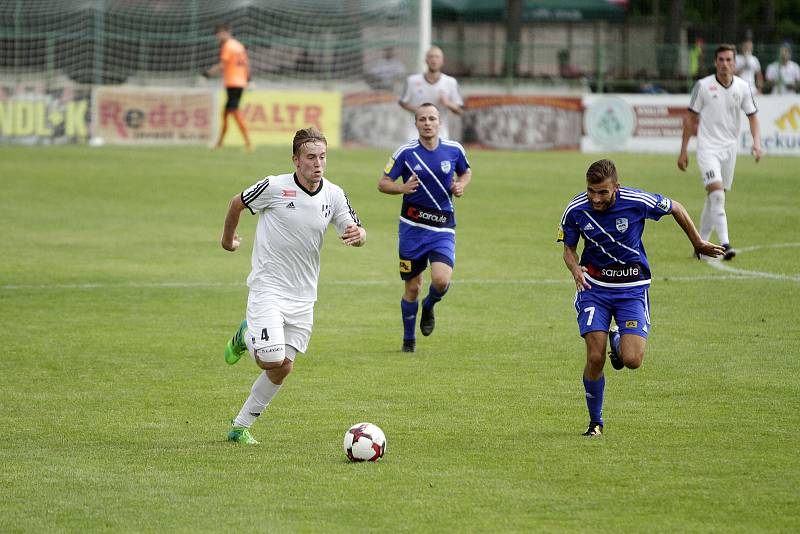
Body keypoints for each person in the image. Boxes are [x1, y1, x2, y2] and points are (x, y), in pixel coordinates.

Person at [220, 127, 366, 444]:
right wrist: (228, 239)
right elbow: (237, 203)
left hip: (303, 296)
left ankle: (240, 426)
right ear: (296, 160)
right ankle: (246, 333)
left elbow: (354, 227)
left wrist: (358, 236)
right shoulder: (274, 186)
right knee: (270, 358)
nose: (318, 163)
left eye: (323, 157)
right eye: (311, 157)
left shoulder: (334, 194)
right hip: (268, 288)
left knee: (283, 368)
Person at [558, 159, 724, 437]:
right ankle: (595, 422)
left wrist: (697, 242)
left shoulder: (636, 201)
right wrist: (575, 268)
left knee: (633, 360)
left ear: (616, 188)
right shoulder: (576, 209)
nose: (596, 199)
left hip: (632, 289)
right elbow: (569, 249)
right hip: (594, 289)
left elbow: (676, 207)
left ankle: (617, 339)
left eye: (603, 192)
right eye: (591, 191)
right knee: (595, 357)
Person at [377, 103, 471, 353]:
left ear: (439, 122)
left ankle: (429, 306)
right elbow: (383, 182)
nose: (427, 123)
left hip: (442, 227)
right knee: (412, 287)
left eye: (432, 118)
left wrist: (461, 185)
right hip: (412, 229)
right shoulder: (406, 153)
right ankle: (409, 341)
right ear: (415, 123)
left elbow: (466, 172)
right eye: (422, 119)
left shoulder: (454, 149)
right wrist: (402, 188)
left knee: (440, 281)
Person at [678, 44, 762, 261]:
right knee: (717, 194)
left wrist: (757, 143)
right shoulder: (702, 86)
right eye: (721, 60)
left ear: (735, 63)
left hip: (729, 150)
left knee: (714, 197)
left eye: (729, 60)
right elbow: (690, 119)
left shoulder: (743, 87)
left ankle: (701, 245)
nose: (725, 64)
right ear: (715, 62)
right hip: (707, 149)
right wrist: (683, 150)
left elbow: (752, 116)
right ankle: (725, 243)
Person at [399, 46, 463, 140]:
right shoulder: (412, 80)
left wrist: (447, 103)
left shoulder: (450, 82)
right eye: (431, 56)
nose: (434, 60)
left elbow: (459, 110)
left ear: (442, 61)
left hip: (440, 132)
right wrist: (420, 111)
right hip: (415, 132)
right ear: (426, 60)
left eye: (437, 57)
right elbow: (403, 102)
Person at [205, 23, 253, 150]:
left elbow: (222, 64)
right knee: (226, 113)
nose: (219, 36)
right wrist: (248, 79)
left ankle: (248, 143)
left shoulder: (227, 46)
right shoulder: (239, 45)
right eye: (217, 34)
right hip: (239, 82)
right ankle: (220, 143)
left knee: (234, 112)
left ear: (227, 32)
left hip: (233, 82)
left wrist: (208, 73)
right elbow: (246, 63)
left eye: (220, 33)